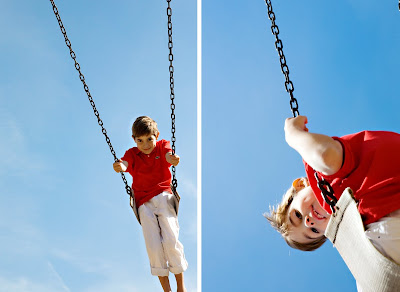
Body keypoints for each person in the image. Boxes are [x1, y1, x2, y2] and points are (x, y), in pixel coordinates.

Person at [266, 115, 400, 266]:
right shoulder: (353, 215)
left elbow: (325, 156)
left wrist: (293, 134)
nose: (309, 223)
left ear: (301, 185)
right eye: (314, 232)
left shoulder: (326, 181)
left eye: (297, 215)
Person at [113, 116, 188, 292]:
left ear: (156, 135)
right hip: (143, 204)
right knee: (154, 247)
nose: (145, 144)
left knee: (170, 240)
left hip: (164, 197)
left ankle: (181, 287)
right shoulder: (132, 154)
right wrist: (120, 166)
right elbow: (125, 164)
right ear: (134, 140)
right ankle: (167, 290)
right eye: (140, 140)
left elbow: (169, 156)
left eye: (149, 139)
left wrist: (173, 159)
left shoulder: (162, 146)